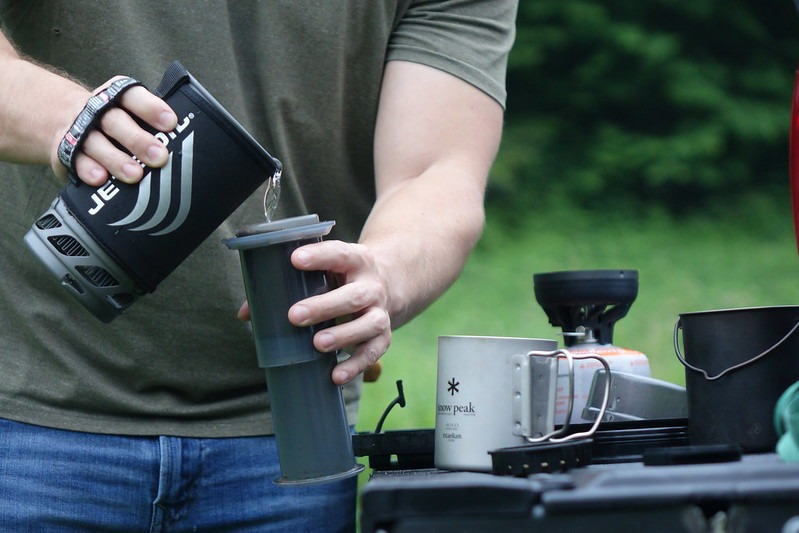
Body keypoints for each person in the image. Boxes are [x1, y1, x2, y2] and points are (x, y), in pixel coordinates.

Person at [0, 1, 516, 531]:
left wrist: (381, 273)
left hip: (293, 442)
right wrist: (66, 116)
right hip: (30, 426)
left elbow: (437, 169)